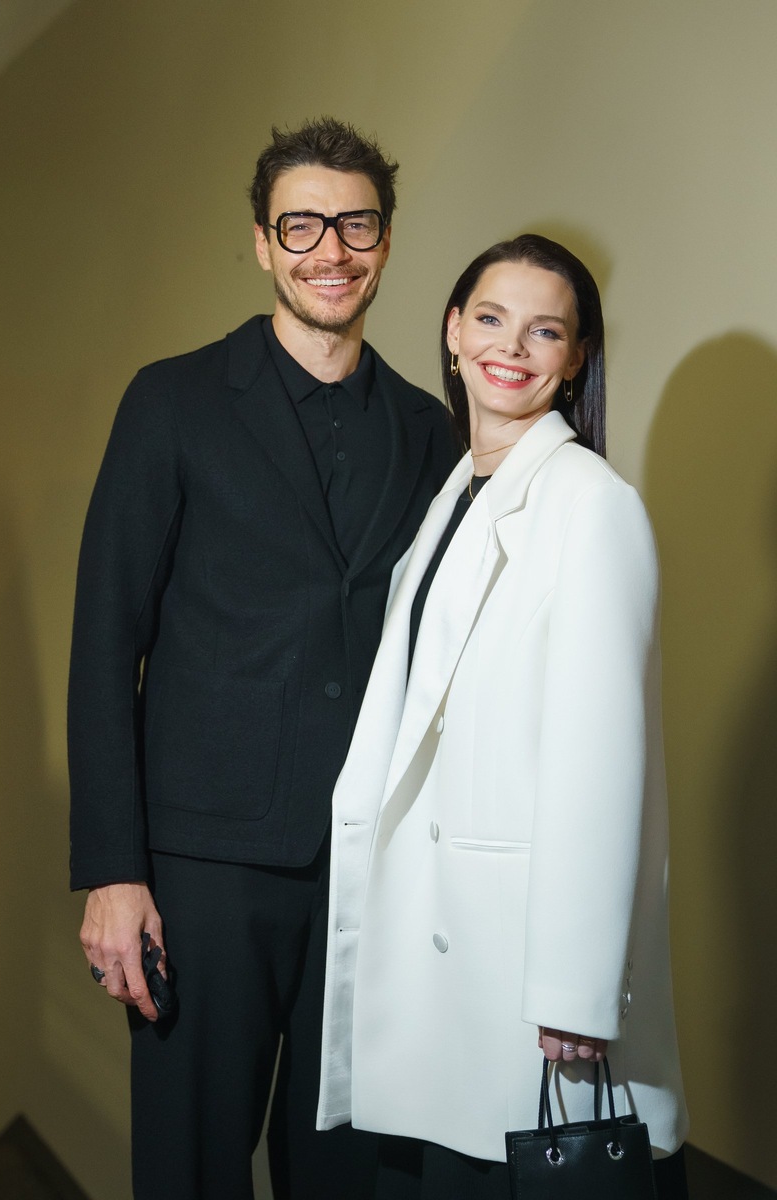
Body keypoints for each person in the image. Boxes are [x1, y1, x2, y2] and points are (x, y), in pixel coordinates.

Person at [68, 116, 457, 1200]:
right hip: (202, 871)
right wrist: (113, 872)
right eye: (302, 225)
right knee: (189, 1171)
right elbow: (105, 640)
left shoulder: (429, 429)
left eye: (356, 224)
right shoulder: (171, 401)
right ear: (261, 243)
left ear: (384, 241)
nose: (331, 249)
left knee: (349, 1175)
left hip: (369, 872)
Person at [318, 234, 690, 1198]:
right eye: (490, 318)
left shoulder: (589, 505)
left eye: (545, 331)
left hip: (524, 974)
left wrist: (575, 986)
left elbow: (602, 761)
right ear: (452, 332)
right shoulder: (454, 497)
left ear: (575, 359)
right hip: (445, 951)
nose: (511, 347)